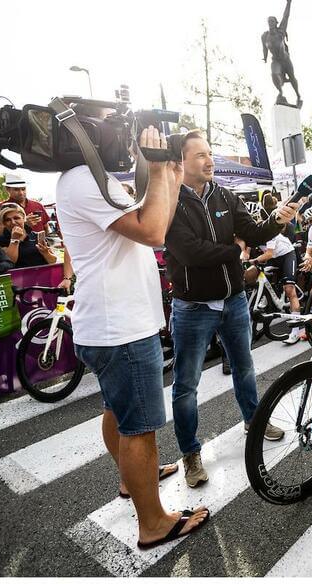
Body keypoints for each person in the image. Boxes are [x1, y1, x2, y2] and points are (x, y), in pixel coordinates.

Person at [56, 121, 208, 550]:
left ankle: (131, 481)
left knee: (118, 411)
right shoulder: (84, 179)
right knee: (140, 428)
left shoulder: (90, 179)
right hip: (119, 329)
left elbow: (154, 215)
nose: (124, 140)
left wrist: (171, 176)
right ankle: (154, 522)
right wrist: (158, 169)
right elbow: (153, 232)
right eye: (115, 130)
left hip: (112, 325)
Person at [164, 131, 297, 488]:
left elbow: (253, 233)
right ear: (179, 162)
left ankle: (254, 421)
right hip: (192, 308)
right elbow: (189, 252)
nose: (209, 161)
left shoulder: (223, 194)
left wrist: (277, 220)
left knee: (244, 368)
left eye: (209, 153)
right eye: (200, 156)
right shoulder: (169, 201)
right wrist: (233, 250)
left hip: (234, 300)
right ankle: (191, 453)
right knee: (186, 385)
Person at [242, 202, 302, 344]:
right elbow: (246, 250)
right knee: (251, 274)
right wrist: (243, 257)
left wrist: (251, 261)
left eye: (254, 218)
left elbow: (268, 254)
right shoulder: (248, 231)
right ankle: (263, 297)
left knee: (289, 290)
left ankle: (296, 331)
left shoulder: (267, 229)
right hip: (272, 257)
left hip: (286, 254)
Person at [0, 203, 57, 268]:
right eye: (7, 220)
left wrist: (46, 253)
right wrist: (14, 240)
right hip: (18, 277)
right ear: (3, 223)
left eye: (16, 218)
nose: (13, 222)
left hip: (42, 275)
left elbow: (53, 261)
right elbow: (10, 262)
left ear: (24, 218)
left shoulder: (36, 236)